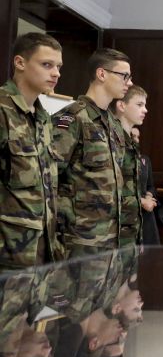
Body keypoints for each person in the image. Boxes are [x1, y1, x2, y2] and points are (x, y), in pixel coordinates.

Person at [52, 48, 132, 255]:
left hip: (110, 238)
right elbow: (49, 177)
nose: (129, 83)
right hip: (78, 240)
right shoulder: (73, 117)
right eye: (124, 76)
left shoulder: (114, 124)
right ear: (102, 74)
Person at [0, 33, 62, 267]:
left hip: (42, 249)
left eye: (58, 66)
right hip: (9, 253)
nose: (56, 73)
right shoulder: (2, 109)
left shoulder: (43, 118)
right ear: (20, 63)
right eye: (47, 65)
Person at [110, 85, 148, 252]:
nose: (145, 110)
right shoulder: (109, 138)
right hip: (110, 231)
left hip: (130, 229)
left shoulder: (131, 142)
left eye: (145, 105)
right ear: (122, 106)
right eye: (139, 105)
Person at [130, 127, 159, 246]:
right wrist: (142, 201)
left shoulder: (145, 160)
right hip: (129, 211)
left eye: (138, 137)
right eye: (132, 136)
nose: (136, 140)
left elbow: (151, 185)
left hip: (146, 213)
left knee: (150, 252)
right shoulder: (117, 159)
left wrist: (148, 196)